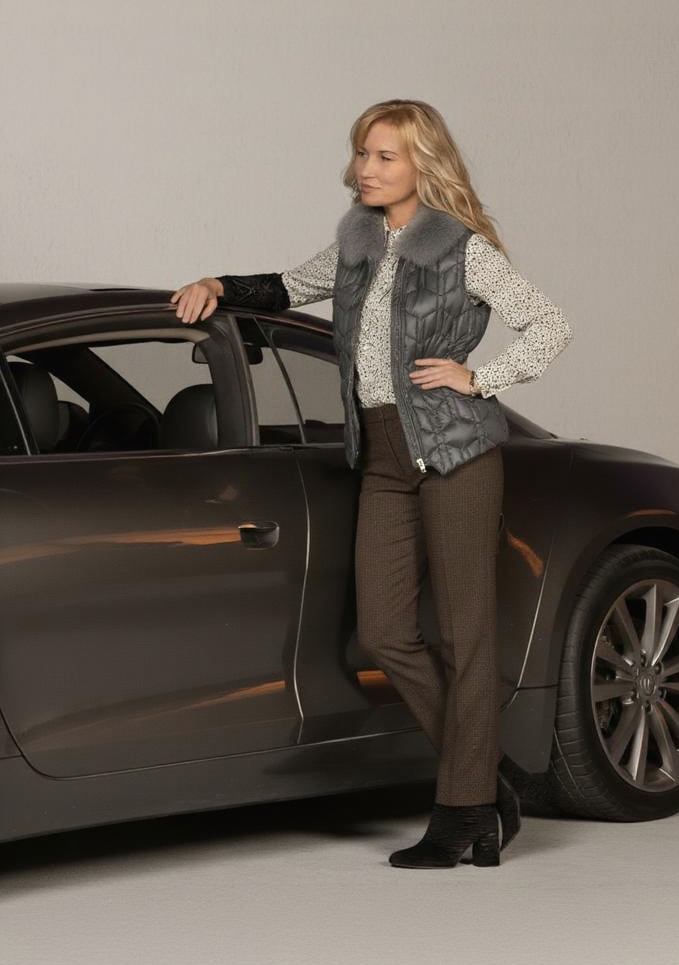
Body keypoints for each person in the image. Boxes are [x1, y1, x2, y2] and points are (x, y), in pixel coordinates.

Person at [171, 98, 573, 868]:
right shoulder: (357, 241)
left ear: (424, 162)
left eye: (385, 156)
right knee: (386, 632)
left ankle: (461, 813)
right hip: (383, 458)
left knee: (465, 635)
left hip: (455, 452)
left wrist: (480, 378)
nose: (367, 168)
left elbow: (549, 324)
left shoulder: (463, 249)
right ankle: (489, 784)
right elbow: (288, 287)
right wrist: (215, 284)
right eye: (362, 153)